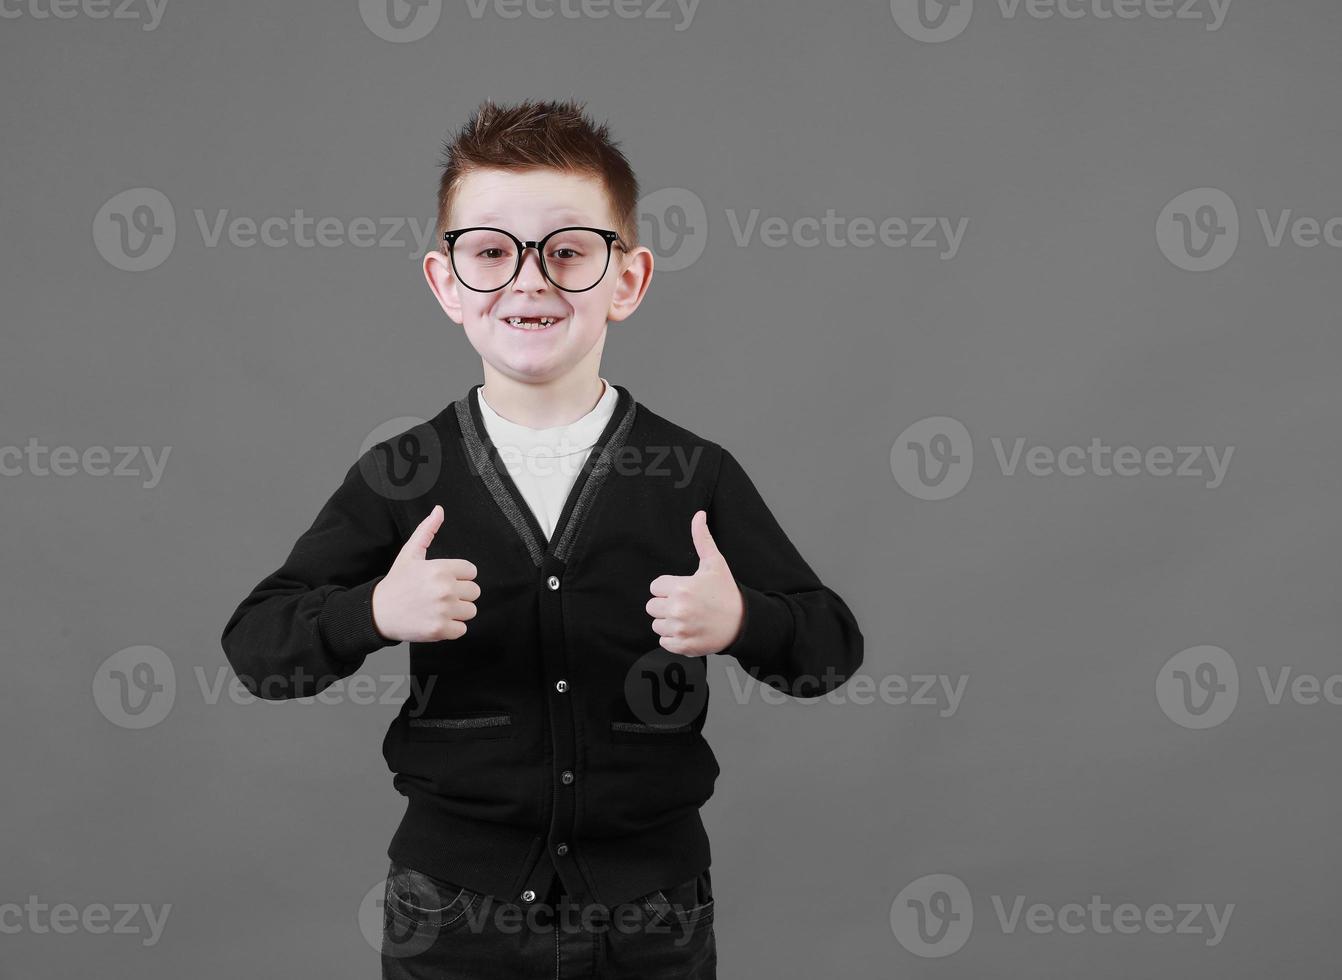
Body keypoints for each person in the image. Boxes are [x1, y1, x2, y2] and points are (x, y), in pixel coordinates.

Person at [220, 98, 864, 978]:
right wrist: (372, 610)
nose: (530, 281)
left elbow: (829, 650)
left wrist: (744, 619)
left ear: (627, 280)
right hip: (449, 913)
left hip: (652, 918)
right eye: (491, 252)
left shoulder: (693, 474)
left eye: (567, 252)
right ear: (446, 282)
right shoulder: (403, 473)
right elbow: (259, 648)